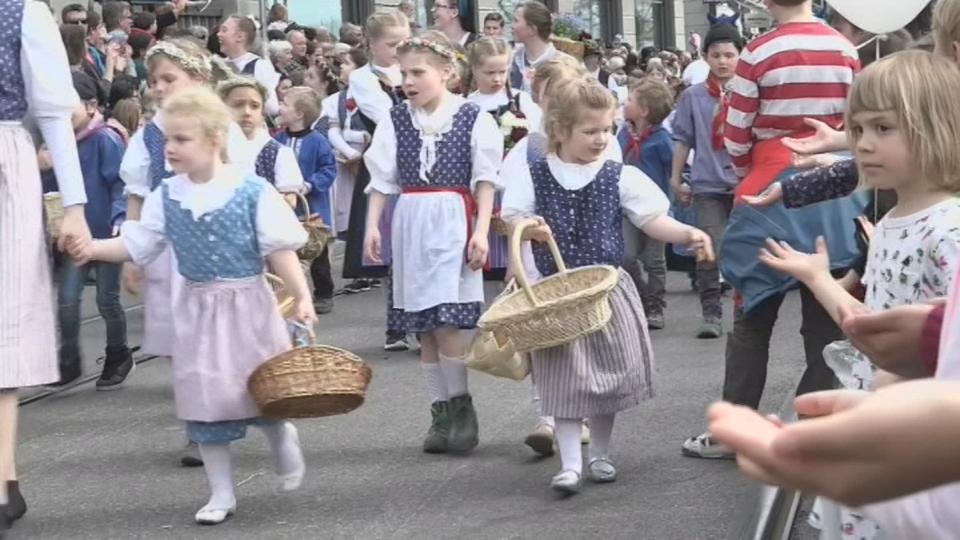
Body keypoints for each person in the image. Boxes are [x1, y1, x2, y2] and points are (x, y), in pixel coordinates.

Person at [68, 88, 312, 526]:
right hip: (198, 309)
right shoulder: (167, 195)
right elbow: (138, 242)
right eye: (169, 139)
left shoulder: (250, 190)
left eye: (182, 140)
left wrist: (303, 298)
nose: (172, 148)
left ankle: (280, 435)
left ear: (215, 140)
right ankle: (221, 492)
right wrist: (92, 248)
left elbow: (280, 250)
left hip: (249, 307)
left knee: (261, 388)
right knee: (203, 397)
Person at [754, 50, 960, 539]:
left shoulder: (948, 229)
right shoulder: (890, 223)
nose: (863, 145)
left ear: (937, 128)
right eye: (858, 129)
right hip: (878, 422)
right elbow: (876, 329)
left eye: (883, 129)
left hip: (920, 439)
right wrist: (818, 277)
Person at [501, 78, 714, 494]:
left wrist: (688, 234)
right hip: (556, 294)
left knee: (605, 377)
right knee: (562, 380)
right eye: (590, 131)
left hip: (604, 291)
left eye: (605, 129)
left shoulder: (619, 175)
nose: (601, 139)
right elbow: (513, 220)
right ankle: (570, 462)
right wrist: (529, 230)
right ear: (561, 130)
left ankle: (599, 451)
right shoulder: (537, 173)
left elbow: (651, 220)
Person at [680, 0, 861, 461]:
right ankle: (811, 424)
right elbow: (855, 120)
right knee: (826, 311)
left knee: (751, 317)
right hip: (833, 187)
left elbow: (737, 132)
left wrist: (748, 169)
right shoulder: (844, 48)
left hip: (767, 181)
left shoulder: (759, 51)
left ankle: (733, 430)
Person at [363, 31, 502, 454]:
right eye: (403, 73)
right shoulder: (396, 118)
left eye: (417, 72)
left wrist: (479, 231)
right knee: (424, 328)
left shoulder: (473, 117)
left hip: (451, 223)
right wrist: (372, 226)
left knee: (445, 323)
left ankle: (461, 406)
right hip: (410, 223)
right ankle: (439, 412)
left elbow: (485, 178)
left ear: (447, 73)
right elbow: (382, 178)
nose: (408, 80)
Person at [119, 38, 254, 467]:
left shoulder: (221, 127)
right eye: (154, 79)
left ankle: (229, 411)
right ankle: (201, 424)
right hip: (168, 249)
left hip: (214, 246)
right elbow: (137, 194)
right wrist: (131, 254)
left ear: (197, 78)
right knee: (182, 339)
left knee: (217, 337)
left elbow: (243, 187)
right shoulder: (150, 134)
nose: (158, 87)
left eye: (168, 79)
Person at [0, 0, 92, 528]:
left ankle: (4, 476)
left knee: (5, 319)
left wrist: (74, 209)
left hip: (7, 161)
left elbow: (56, 114)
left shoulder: (21, 10)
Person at [501, 57, 620, 457]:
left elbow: (612, 185)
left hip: (587, 259)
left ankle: (583, 413)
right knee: (547, 341)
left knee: (588, 341)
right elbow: (512, 211)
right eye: (551, 97)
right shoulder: (528, 147)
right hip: (543, 258)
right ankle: (550, 416)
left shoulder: (601, 143)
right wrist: (517, 250)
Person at [43, 71, 131, 390]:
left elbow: (120, 183)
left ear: (91, 105)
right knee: (67, 300)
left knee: (107, 301)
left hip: (105, 235)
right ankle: (68, 360)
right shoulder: (55, 145)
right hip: (72, 236)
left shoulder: (104, 138)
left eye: (69, 107)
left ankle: (118, 354)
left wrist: (121, 219)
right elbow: (49, 190)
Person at [343, 9, 411, 350]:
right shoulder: (363, 78)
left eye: (404, 43)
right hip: (386, 165)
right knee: (392, 246)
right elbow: (386, 115)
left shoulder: (412, 68)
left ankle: (426, 319)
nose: (399, 50)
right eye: (391, 44)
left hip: (418, 164)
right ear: (371, 44)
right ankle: (396, 326)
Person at [670, 24, 742, 339]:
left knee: (744, 246)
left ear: (741, 56)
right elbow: (683, 140)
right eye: (716, 55)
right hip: (707, 183)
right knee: (708, 244)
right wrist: (676, 179)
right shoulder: (692, 97)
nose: (723, 61)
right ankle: (711, 311)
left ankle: (747, 307)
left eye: (729, 55)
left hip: (744, 182)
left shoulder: (750, 93)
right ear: (706, 58)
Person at [465, 36, 543, 281]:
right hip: (481, 181)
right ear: (474, 70)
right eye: (489, 72)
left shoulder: (520, 100)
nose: (497, 79)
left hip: (515, 181)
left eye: (502, 71)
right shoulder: (467, 106)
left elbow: (538, 137)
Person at [276, 87, 338, 315]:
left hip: (312, 207)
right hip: (286, 208)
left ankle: (324, 292)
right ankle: (291, 292)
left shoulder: (318, 141)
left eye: (284, 104)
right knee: (289, 252)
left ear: (300, 113)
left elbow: (329, 168)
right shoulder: (279, 139)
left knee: (317, 253)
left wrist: (309, 184)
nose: (279, 107)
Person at [619, 78, 674, 331]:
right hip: (627, 207)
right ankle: (639, 298)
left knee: (654, 260)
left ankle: (655, 306)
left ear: (644, 110)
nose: (624, 103)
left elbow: (673, 173)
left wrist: (672, 203)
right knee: (627, 256)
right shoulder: (623, 134)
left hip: (654, 211)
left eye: (630, 100)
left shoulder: (663, 140)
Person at [218, 77, 304, 197]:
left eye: (254, 106)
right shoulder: (210, 147)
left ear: (262, 112)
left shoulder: (278, 153)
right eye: (238, 105)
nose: (247, 112)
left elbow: (289, 201)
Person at [321, 47, 370, 240]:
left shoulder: (371, 97)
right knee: (346, 204)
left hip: (367, 157)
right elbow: (333, 131)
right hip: (345, 158)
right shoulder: (335, 100)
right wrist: (350, 154)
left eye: (347, 63)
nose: (341, 67)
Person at [218, 15, 281, 117]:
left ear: (239, 37)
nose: (219, 34)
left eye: (224, 30)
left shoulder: (260, 66)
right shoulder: (219, 65)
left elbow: (272, 108)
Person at [509, 1, 568, 93]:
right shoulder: (511, 60)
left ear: (532, 30)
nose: (512, 26)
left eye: (516, 21)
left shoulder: (562, 64)